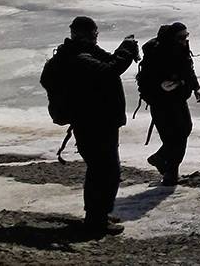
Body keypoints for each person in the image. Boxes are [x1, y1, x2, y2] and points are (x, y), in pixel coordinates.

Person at [44, 16, 139, 236]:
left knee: (103, 169)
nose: (96, 38)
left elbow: (110, 62)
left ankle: (99, 214)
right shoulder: (78, 58)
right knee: (104, 171)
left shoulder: (82, 52)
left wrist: (123, 49)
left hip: (96, 121)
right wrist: (126, 50)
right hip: (93, 123)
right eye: (94, 34)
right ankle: (96, 221)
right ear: (86, 34)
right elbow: (109, 70)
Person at [137, 21, 200, 186]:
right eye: (181, 37)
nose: (184, 40)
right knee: (173, 138)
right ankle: (169, 174)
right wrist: (163, 85)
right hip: (161, 102)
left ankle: (163, 163)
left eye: (186, 36)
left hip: (178, 98)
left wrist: (195, 87)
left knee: (184, 130)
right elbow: (149, 79)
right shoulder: (157, 53)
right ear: (172, 37)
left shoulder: (181, 49)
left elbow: (188, 69)